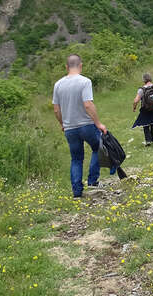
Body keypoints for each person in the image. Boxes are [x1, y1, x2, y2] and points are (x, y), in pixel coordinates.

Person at [53, 54, 107, 198]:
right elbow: (88, 104)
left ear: (66, 67)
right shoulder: (85, 81)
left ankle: (77, 192)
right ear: (81, 65)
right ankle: (92, 181)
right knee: (97, 148)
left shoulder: (58, 84)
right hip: (86, 125)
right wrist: (98, 123)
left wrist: (62, 124)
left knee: (76, 159)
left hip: (70, 128)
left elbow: (56, 109)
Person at [132, 72, 153, 146]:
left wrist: (134, 107)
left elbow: (136, 100)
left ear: (143, 80)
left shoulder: (141, 90)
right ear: (151, 78)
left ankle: (148, 140)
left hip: (145, 109)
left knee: (145, 123)